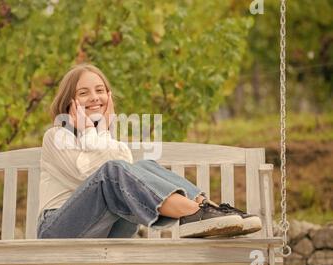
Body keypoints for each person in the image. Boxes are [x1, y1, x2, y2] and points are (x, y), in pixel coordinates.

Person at [37, 63, 262, 239]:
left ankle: (207, 208)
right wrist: (90, 130)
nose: (95, 97)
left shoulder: (111, 142)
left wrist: (103, 131)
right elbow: (89, 176)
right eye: (84, 93)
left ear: (109, 96)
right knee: (113, 171)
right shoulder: (57, 136)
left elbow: (124, 178)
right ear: (69, 103)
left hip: (107, 231)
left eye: (100, 90)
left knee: (143, 166)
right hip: (58, 229)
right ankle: (193, 213)